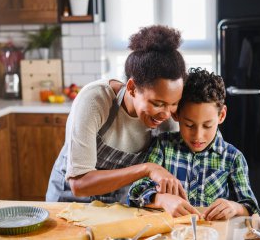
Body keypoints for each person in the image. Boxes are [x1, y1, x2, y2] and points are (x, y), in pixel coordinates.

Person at [46, 25, 196, 210]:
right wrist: (147, 168)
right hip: (69, 201)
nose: (167, 114)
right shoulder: (95, 100)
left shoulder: (168, 117)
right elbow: (79, 184)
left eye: (174, 103)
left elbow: (211, 143)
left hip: (120, 205)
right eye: (157, 103)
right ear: (132, 88)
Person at [127, 68, 260, 220]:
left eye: (207, 126)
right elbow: (134, 194)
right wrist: (162, 200)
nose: (198, 136)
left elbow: (253, 209)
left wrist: (235, 207)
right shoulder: (163, 146)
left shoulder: (233, 158)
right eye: (189, 125)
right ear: (176, 114)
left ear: (221, 115)